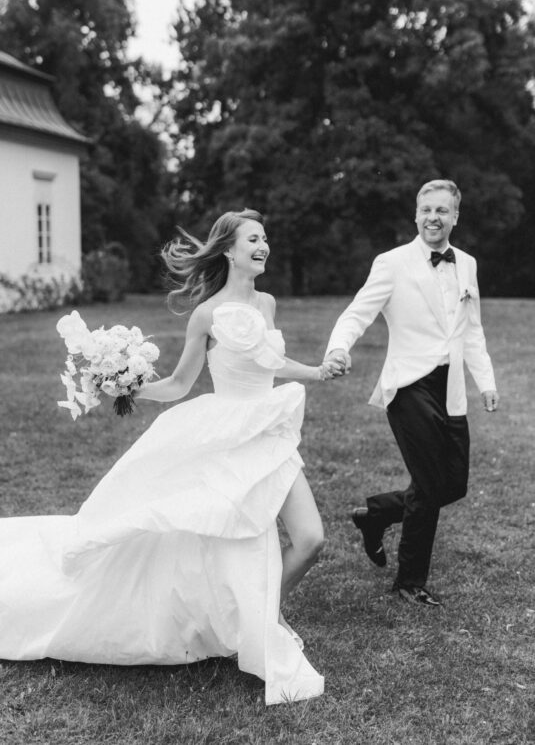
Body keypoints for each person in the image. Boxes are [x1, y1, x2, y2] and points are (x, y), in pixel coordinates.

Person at [0, 209, 334, 705]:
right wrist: (126, 386)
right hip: (228, 438)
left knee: (310, 540)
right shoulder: (207, 315)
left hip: (270, 430)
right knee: (238, 545)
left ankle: (259, 619)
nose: (263, 246)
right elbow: (180, 383)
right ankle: (262, 625)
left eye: (265, 238)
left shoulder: (267, 302)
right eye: (253, 239)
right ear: (229, 250)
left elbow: (271, 360)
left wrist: (317, 371)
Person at [325, 179, 499, 606]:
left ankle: (377, 515)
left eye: (442, 210)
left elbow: (471, 330)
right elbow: (357, 312)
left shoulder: (467, 264)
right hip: (408, 385)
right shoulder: (392, 263)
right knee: (428, 482)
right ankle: (409, 582)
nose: (433, 218)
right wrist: (338, 348)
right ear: (416, 215)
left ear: (455, 216)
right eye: (426, 210)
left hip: (450, 387)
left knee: (453, 483)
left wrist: (486, 381)